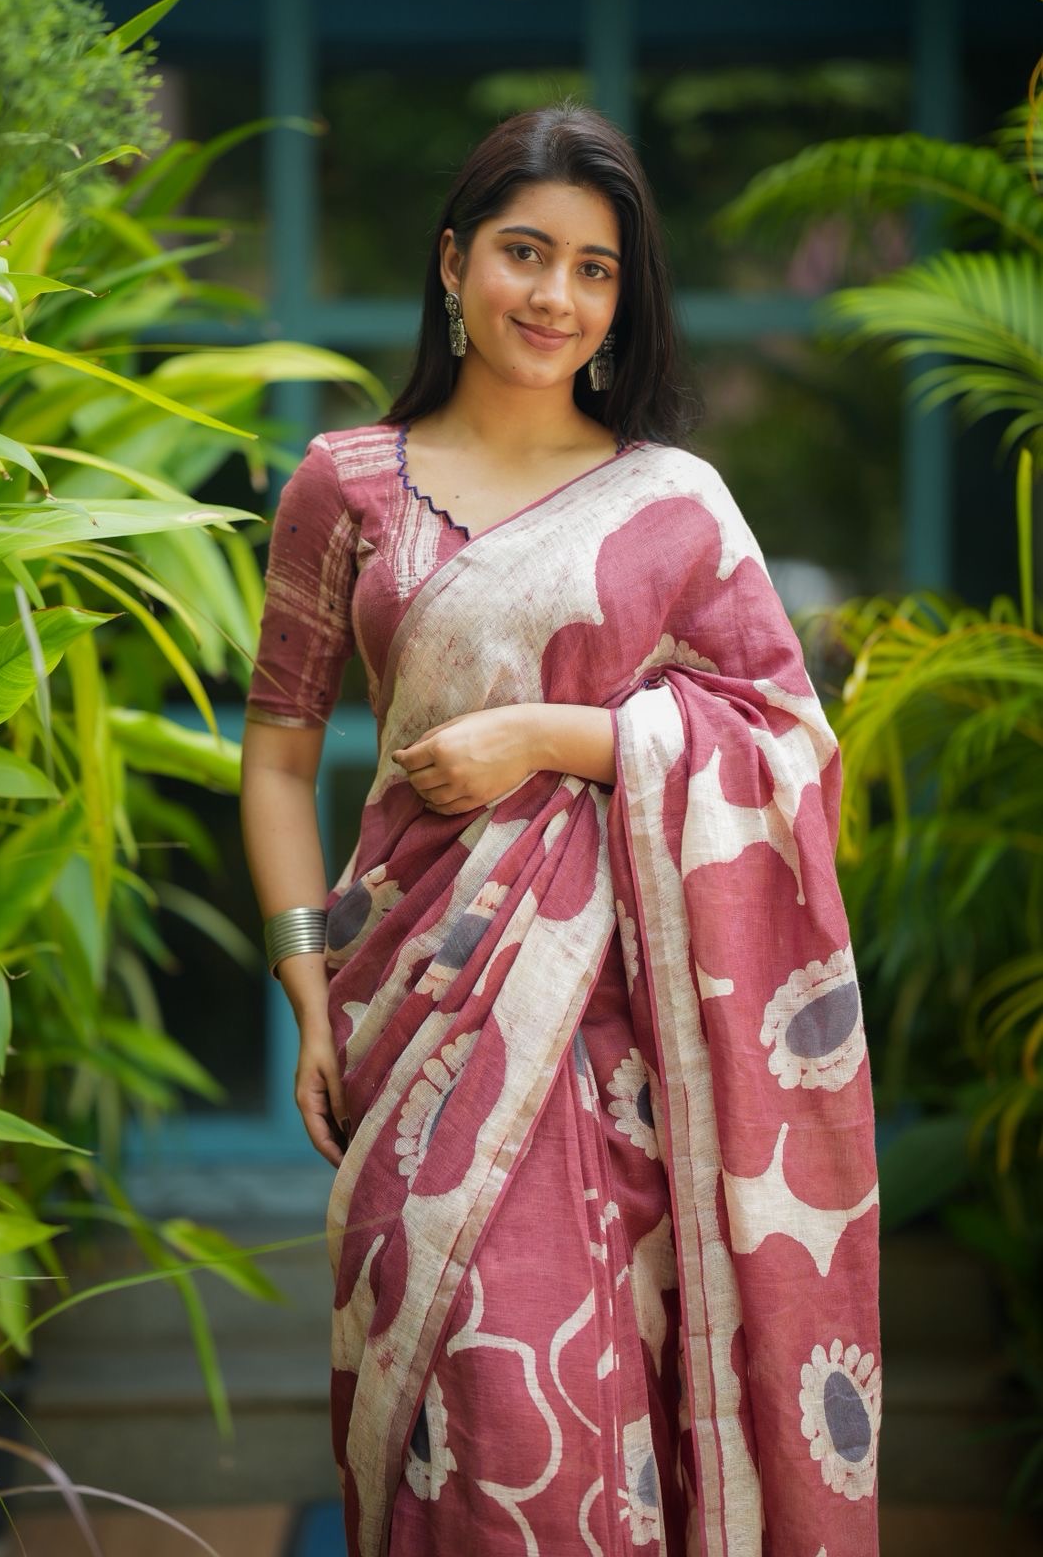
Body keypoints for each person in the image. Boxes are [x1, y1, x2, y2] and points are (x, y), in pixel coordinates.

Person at [239, 101, 881, 1557]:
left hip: (622, 1041)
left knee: (585, 1406)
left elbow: (787, 749)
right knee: (455, 1386)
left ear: (619, 303)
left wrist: (549, 738)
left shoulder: (676, 508)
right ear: (453, 261)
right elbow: (277, 758)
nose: (554, 296)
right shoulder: (349, 482)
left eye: (594, 270)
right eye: (525, 253)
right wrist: (303, 996)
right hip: (411, 1006)